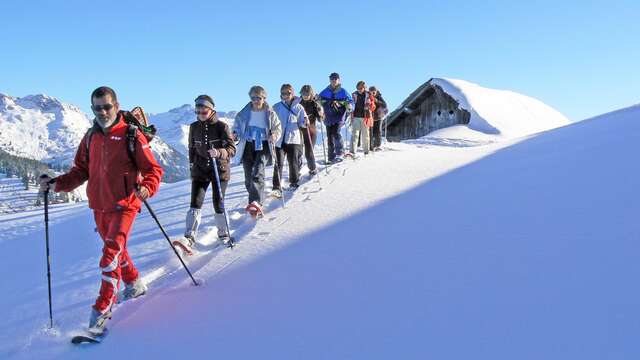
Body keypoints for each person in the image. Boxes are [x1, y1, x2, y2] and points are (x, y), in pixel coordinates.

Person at [39, 86, 163, 334]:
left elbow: (153, 170)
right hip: (99, 205)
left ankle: (102, 309)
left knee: (109, 257)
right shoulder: (90, 137)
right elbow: (80, 172)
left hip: (125, 205)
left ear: (116, 106)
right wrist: (56, 184)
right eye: (97, 108)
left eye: (107, 106)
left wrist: (148, 188)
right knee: (117, 252)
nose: (103, 112)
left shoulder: (131, 135)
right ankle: (134, 283)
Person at [180, 95, 236, 250]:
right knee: (195, 203)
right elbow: (192, 148)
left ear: (211, 110)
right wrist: (192, 167)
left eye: (203, 111)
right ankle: (189, 237)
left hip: (219, 170)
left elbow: (232, 149)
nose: (200, 114)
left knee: (218, 203)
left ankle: (224, 234)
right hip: (200, 170)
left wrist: (219, 152)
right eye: (197, 112)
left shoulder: (221, 126)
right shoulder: (193, 127)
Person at [232, 86, 282, 216]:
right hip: (248, 144)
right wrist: (235, 134)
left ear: (264, 98)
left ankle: (255, 202)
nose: (256, 100)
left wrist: (274, 135)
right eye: (253, 98)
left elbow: (277, 127)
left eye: (258, 98)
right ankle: (257, 195)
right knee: (248, 176)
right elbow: (236, 126)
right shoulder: (244, 113)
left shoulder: (269, 112)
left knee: (258, 171)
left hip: (264, 144)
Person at [271, 84, 307, 196]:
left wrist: (305, 122)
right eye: (283, 93)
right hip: (279, 139)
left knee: (293, 162)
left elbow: (302, 123)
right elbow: (270, 120)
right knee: (278, 163)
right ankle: (276, 186)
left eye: (288, 93)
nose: (286, 95)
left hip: (293, 138)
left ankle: (294, 182)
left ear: (293, 93)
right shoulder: (276, 107)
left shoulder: (299, 107)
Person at [318, 72, 353, 163]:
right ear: (330, 80)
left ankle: (339, 153)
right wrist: (318, 104)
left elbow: (350, 101)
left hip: (339, 115)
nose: (334, 80)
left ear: (339, 80)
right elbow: (319, 100)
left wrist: (349, 106)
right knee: (329, 135)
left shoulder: (343, 91)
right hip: (328, 115)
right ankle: (331, 156)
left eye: (335, 79)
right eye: (332, 79)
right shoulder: (325, 91)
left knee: (336, 132)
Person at [299, 85, 323, 175]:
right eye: (303, 93)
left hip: (311, 131)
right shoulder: (298, 103)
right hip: (299, 131)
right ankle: (297, 169)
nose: (305, 95)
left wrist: (320, 112)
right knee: (297, 152)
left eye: (307, 94)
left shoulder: (314, 103)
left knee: (309, 152)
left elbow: (320, 118)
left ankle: (312, 168)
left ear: (311, 94)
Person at [349, 81, 376, 157]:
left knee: (365, 135)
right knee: (355, 134)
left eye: (361, 88)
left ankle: (366, 151)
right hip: (356, 117)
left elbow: (373, 107)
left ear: (364, 88)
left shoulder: (368, 95)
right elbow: (351, 104)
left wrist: (370, 104)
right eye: (358, 88)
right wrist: (349, 107)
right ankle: (352, 151)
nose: (359, 90)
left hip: (365, 117)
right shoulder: (354, 95)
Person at [369, 86, 388, 151]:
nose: (373, 93)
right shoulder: (368, 97)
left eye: (374, 92)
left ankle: (378, 145)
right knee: (371, 131)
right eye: (371, 92)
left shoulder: (379, 97)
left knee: (378, 131)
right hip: (371, 117)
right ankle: (371, 146)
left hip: (379, 116)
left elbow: (385, 105)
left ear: (376, 92)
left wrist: (376, 101)